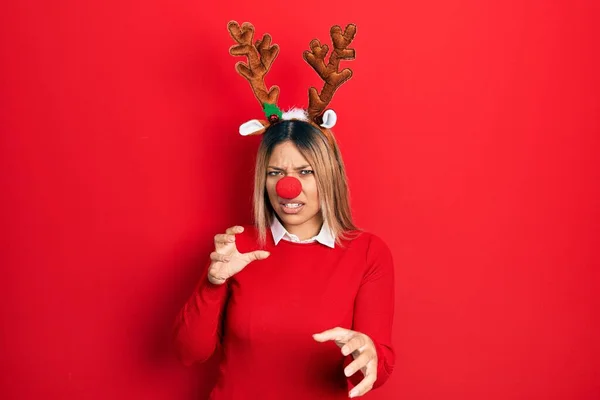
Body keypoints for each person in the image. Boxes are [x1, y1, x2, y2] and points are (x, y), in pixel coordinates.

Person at [172, 21, 395, 399]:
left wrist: (369, 351)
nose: (287, 186)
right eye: (276, 172)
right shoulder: (238, 246)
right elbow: (189, 353)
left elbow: (376, 368)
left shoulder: (368, 253)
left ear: (329, 177)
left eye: (305, 172)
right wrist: (213, 283)